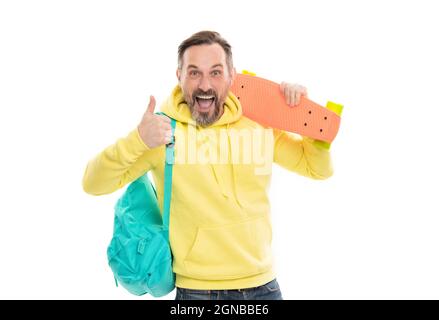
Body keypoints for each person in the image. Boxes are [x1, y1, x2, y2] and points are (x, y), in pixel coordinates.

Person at [82, 30, 333, 300]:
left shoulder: (259, 125)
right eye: (194, 73)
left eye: (215, 72)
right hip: (198, 292)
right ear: (179, 76)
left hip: (264, 286)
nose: (204, 84)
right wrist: (138, 140)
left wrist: (303, 117)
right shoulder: (162, 131)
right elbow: (93, 184)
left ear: (231, 76)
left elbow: (316, 169)